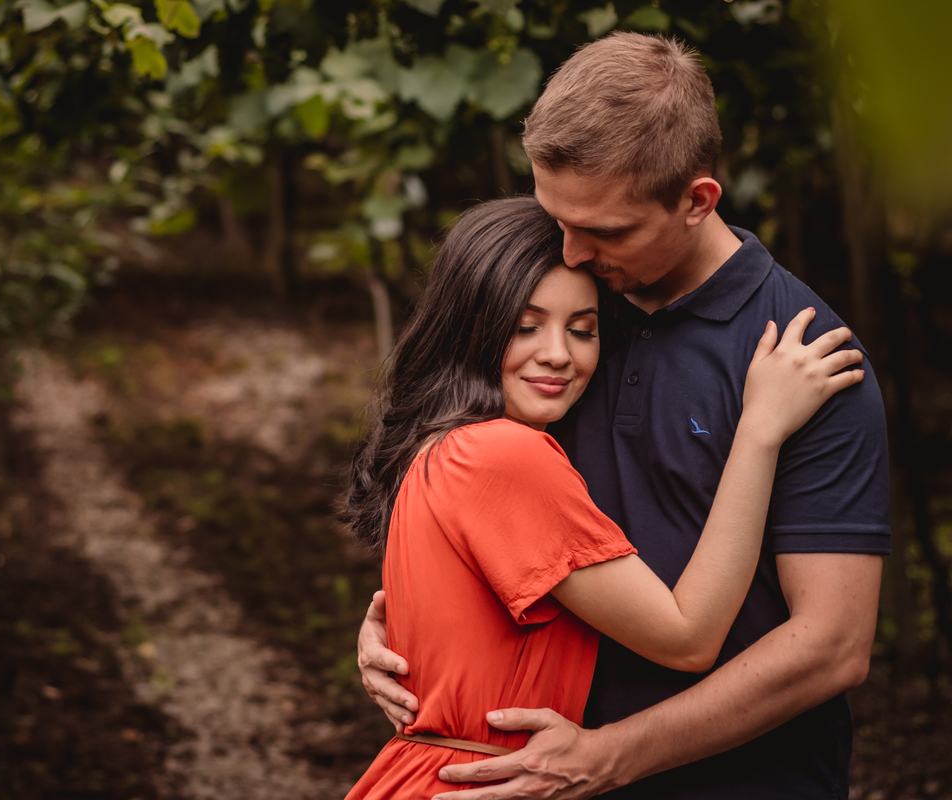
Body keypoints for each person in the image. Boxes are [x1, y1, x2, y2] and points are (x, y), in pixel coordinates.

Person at [356, 32, 890, 800]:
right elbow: (473, 499)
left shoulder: (804, 359)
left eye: (604, 231)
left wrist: (611, 755)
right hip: (533, 776)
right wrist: (409, 636)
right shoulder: (558, 312)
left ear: (696, 200)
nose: (571, 252)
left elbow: (832, 646)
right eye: (557, 218)